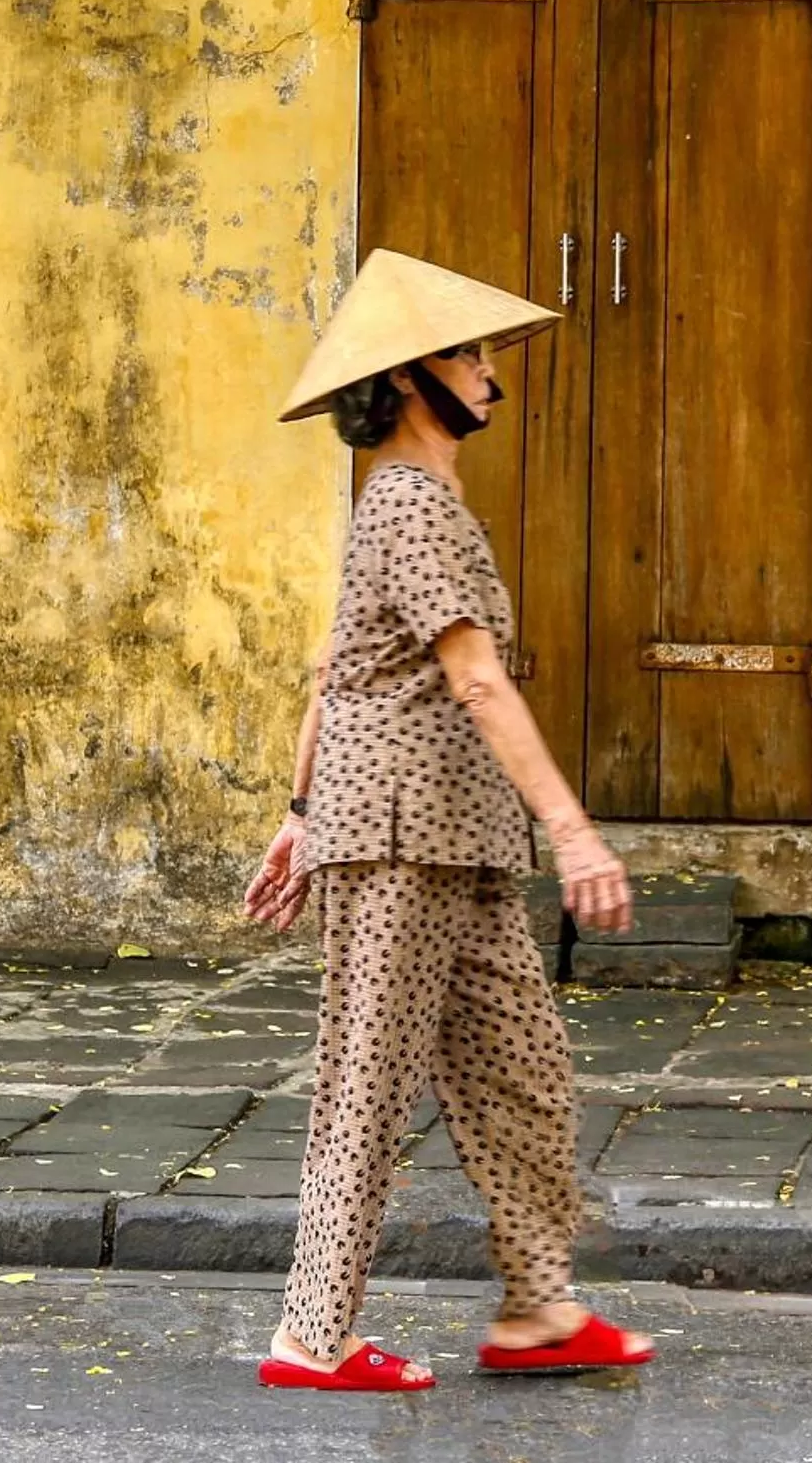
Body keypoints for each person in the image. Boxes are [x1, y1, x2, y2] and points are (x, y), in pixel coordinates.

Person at [241, 248, 655, 1393]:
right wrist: (574, 833)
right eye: (467, 353)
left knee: (523, 1066)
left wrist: (294, 811)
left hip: (451, 840)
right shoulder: (410, 503)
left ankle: (537, 1307)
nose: (486, 371)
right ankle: (309, 1339)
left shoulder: (410, 505)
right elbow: (474, 679)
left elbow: (333, 671)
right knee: (365, 1087)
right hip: (399, 838)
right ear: (410, 378)